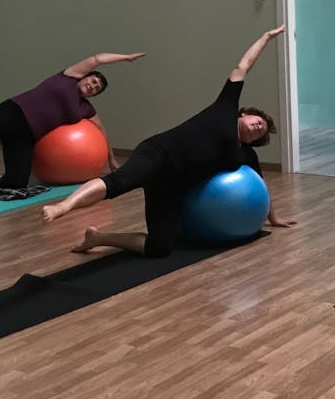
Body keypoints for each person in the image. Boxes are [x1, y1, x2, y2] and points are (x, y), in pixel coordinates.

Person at [41, 25, 296, 256]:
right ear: (245, 113)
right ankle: (64, 206)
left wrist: (272, 219)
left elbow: (260, 187)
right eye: (258, 121)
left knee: (160, 247)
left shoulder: (244, 155)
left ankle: (98, 237)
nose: (258, 127)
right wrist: (265, 38)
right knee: (118, 183)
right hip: (158, 154)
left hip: (172, 185)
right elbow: (243, 66)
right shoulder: (225, 107)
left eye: (260, 132)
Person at [0, 52, 146, 193]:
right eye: (93, 81)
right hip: (14, 112)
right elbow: (97, 58)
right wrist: (125, 58)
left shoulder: (85, 109)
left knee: (16, 183)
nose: (93, 86)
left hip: (27, 135)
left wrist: (112, 160)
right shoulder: (68, 77)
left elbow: (101, 132)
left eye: (97, 88)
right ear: (85, 76)